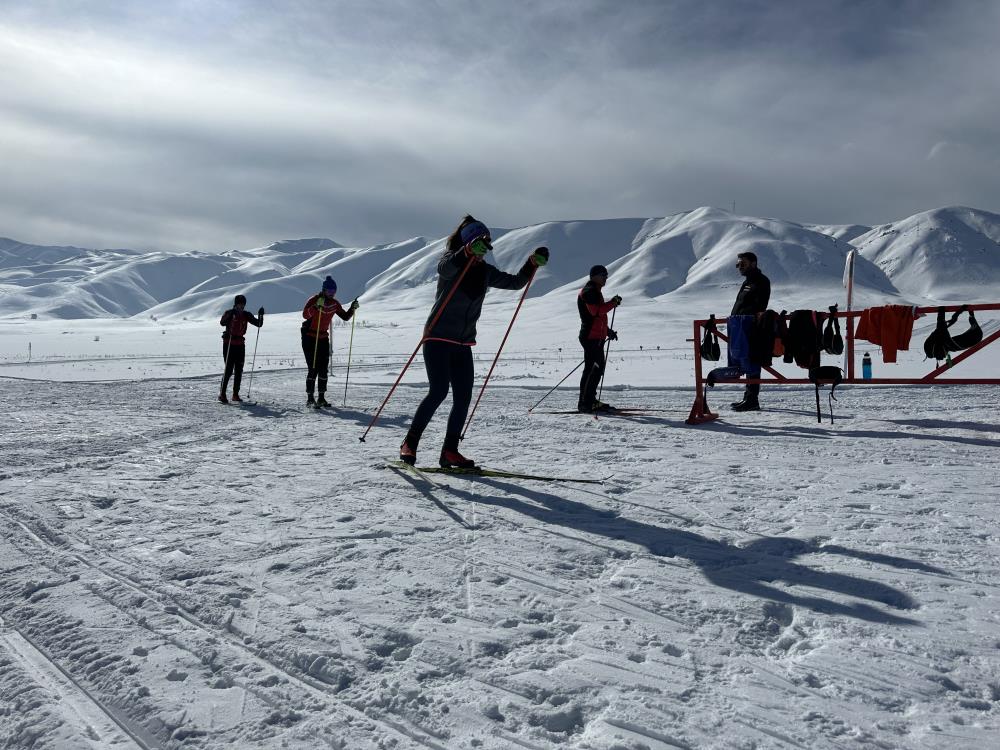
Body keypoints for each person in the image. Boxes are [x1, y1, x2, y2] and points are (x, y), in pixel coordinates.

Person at [399, 216, 549, 468]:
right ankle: (409, 444)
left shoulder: (484, 272)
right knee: (438, 391)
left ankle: (449, 451)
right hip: (437, 336)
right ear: (468, 242)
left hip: (463, 342)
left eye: (487, 245)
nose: (484, 249)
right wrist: (466, 252)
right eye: (480, 243)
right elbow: (444, 269)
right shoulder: (451, 261)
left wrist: (531, 264)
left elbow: (515, 283)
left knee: (463, 397)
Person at [301, 276, 358, 407]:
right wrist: (316, 306)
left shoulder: (334, 303)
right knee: (313, 368)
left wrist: (352, 308)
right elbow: (305, 315)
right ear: (324, 290)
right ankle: (310, 398)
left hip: (322, 337)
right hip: (309, 336)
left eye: (334, 291)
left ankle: (321, 397)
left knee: (323, 369)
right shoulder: (314, 300)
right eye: (329, 291)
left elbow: (345, 317)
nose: (332, 293)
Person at [577, 265, 622, 412]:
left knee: (595, 369)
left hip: (596, 337)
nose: (606, 277)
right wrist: (612, 303)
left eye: (606, 275)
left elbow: (598, 317)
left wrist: (608, 332)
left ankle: (589, 400)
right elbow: (596, 311)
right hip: (591, 337)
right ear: (594, 276)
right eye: (603, 274)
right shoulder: (589, 291)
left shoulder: (595, 291)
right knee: (592, 369)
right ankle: (585, 403)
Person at [730, 251, 771, 411]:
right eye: (738, 264)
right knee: (745, 361)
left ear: (753, 263)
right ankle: (748, 397)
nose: (740, 267)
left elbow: (759, 305)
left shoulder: (761, 281)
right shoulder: (747, 282)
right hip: (739, 326)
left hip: (751, 327)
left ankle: (752, 400)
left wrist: (746, 318)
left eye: (743, 264)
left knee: (752, 361)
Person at [219, 294, 263, 403]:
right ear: (235, 304)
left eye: (243, 305)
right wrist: (231, 315)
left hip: (240, 344)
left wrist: (261, 316)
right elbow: (222, 322)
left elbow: (259, 324)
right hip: (229, 343)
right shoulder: (229, 312)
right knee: (228, 370)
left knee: (239, 370)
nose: (241, 308)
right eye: (239, 305)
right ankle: (222, 394)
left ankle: (235, 394)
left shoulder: (246, 315)